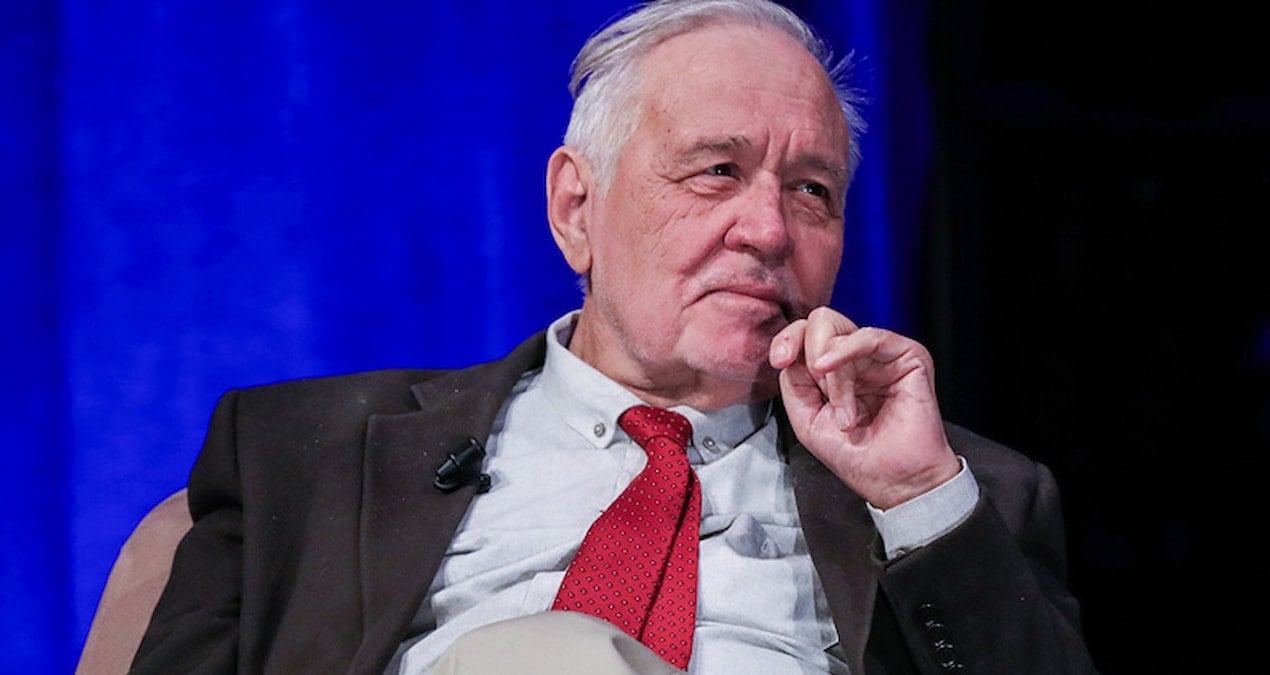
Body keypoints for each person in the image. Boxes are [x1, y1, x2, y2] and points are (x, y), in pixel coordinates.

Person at [132, 0, 1096, 673]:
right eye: (716, 171)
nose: (769, 230)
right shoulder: (300, 454)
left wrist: (916, 497)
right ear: (575, 208)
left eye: (813, 190)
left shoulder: (964, 494)